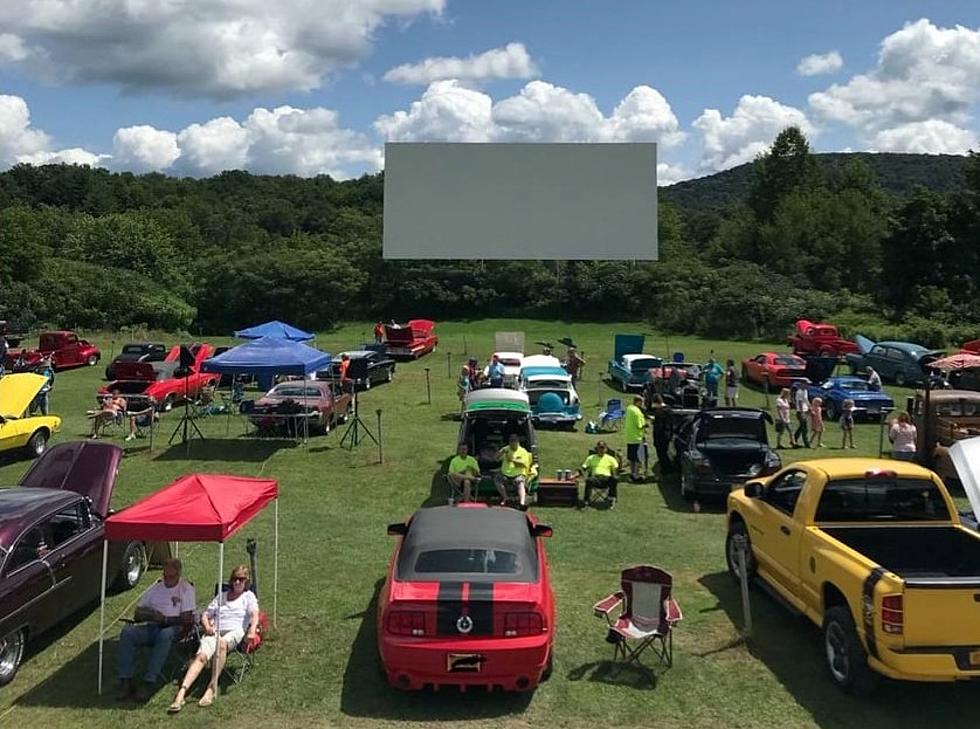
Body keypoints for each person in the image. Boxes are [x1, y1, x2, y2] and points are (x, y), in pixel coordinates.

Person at [170, 565, 259, 712]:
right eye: (234, 579)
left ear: (246, 582)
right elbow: (206, 615)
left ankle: (211, 688)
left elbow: (255, 615)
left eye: (241, 579)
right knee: (201, 657)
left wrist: (252, 631)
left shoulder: (248, 596)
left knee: (222, 644)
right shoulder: (221, 596)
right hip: (214, 630)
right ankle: (181, 693)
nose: (237, 582)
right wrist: (207, 627)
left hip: (234, 631)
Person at [116, 558, 195, 702]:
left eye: (171, 577)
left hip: (175, 629)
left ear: (179, 574)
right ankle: (125, 680)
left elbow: (187, 619)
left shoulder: (186, 589)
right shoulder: (156, 588)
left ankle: (149, 682)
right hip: (152, 625)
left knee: (165, 635)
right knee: (128, 632)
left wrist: (165, 619)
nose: (167, 579)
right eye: (165, 576)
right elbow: (138, 613)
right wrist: (152, 615)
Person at [575, 441, 620, 508]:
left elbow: (617, 469)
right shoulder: (591, 458)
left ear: (606, 449)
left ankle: (611, 498)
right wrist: (575, 474)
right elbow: (583, 468)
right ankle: (586, 500)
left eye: (603, 448)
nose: (601, 450)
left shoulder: (611, 458)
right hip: (595, 479)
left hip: (607, 479)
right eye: (600, 448)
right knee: (589, 480)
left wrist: (620, 459)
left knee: (614, 479)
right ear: (596, 449)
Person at [494, 433, 534, 508]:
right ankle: (506, 498)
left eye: (514, 442)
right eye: (511, 442)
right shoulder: (506, 449)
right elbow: (496, 459)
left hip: (518, 474)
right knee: (497, 480)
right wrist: (500, 453)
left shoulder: (522, 451)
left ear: (517, 442)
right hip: (505, 473)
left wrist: (512, 460)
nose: (512, 444)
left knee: (520, 483)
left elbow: (524, 464)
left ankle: (522, 503)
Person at [624, 396, 648, 483]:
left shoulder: (629, 408)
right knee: (639, 458)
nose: (642, 404)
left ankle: (632, 473)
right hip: (637, 438)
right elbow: (640, 425)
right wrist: (646, 424)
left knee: (631, 458)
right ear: (638, 402)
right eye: (642, 402)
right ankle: (636, 475)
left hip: (629, 437)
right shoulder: (637, 412)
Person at [649, 395, 674, 476]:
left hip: (661, 436)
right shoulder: (669, 409)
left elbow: (658, 427)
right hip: (668, 434)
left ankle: (666, 470)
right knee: (665, 452)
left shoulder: (659, 412)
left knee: (661, 454)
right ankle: (668, 468)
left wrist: (654, 422)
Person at [793, 383, 810, 448]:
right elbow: (800, 402)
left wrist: (809, 406)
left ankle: (794, 439)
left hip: (805, 410)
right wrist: (802, 412)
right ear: (802, 384)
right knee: (804, 428)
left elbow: (806, 400)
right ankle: (807, 443)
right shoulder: (799, 392)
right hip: (800, 411)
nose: (807, 385)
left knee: (801, 427)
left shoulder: (805, 391)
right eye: (806, 384)